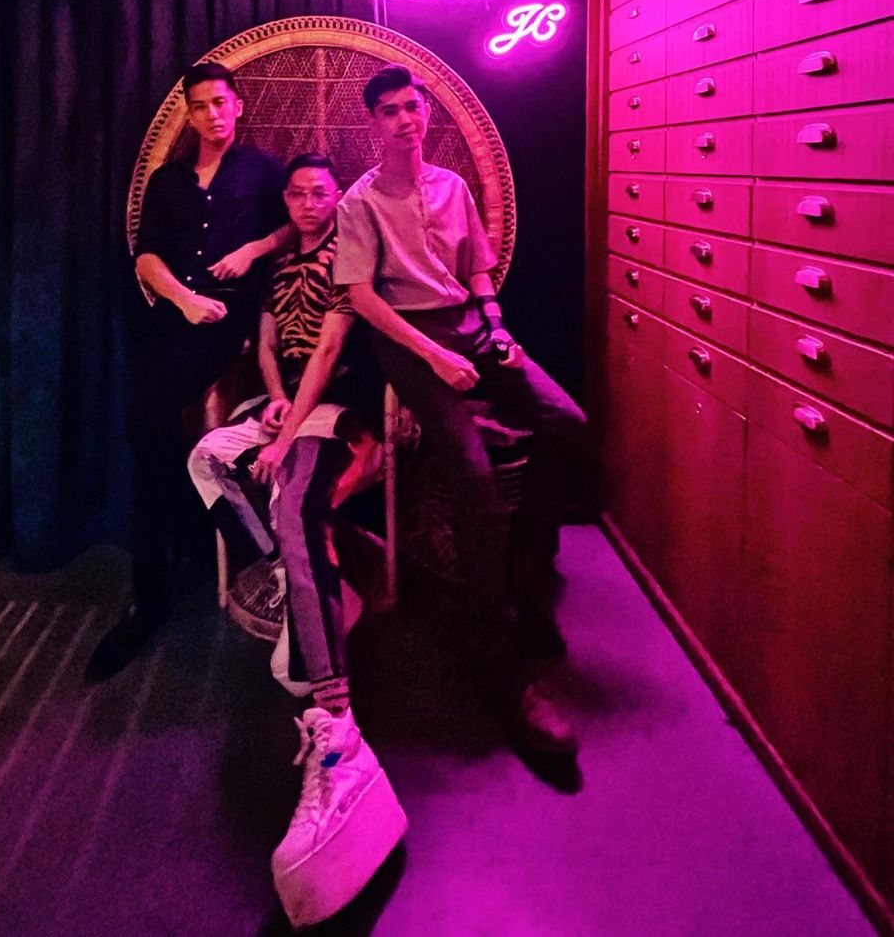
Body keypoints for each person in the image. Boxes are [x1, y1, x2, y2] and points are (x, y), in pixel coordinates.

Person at [334, 63, 587, 760]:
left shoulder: (452, 186)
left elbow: (478, 270)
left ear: (426, 112)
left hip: (472, 328)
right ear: (373, 124)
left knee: (567, 425)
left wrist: (497, 328)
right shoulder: (359, 202)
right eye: (390, 111)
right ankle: (500, 664)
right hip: (408, 341)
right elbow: (361, 297)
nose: (405, 119)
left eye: (412, 107)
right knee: (473, 477)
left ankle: (528, 575)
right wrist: (435, 355)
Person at [187, 153, 405, 930]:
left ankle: (337, 718)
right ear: (285, 200)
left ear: (336, 197)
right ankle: (285, 573)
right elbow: (271, 342)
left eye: (321, 191)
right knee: (208, 458)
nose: (310, 202)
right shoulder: (280, 264)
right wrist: (275, 404)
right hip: (288, 406)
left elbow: (330, 351)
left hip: (338, 412)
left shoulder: (351, 252)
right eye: (298, 192)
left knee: (295, 505)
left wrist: (292, 431)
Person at [87, 62, 291, 682]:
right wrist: (182, 299)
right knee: (144, 425)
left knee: (146, 418)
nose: (212, 114)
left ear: (238, 105)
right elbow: (145, 257)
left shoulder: (263, 171)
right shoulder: (168, 179)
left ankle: (152, 592)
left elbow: (300, 222)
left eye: (221, 102)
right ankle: (178, 553)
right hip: (176, 312)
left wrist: (253, 249)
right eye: (200, 106)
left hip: (228, 319)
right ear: (189, 114)